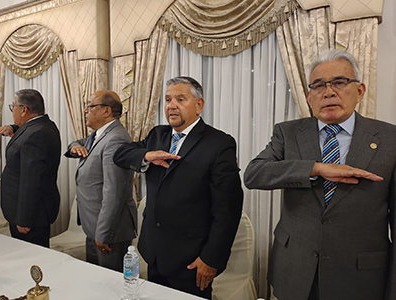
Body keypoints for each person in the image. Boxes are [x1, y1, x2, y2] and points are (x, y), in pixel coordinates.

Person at [244, 49, 396, 300]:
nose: (328, 92)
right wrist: (316, 168)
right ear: (309, 97)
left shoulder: (389, 139)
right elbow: (254, 174)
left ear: (359, 91)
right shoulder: (288, 133)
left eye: (339, 82)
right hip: (294, 270)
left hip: (360, 277)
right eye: (318, 86)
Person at [114, 76, 243, 299]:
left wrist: (211, 258)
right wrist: (147, 154)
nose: (171, 105)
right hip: (154, 250)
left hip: (191, 259)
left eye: (180, 99)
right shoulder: (157, 134)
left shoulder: (219, 143)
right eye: (167, 99)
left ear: (198, 105)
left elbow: (228, 210)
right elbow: (120, 154)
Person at [64, 90, 137, 272]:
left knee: (110, 286)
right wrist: (75, 147)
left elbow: (114, 192)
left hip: (110, 232)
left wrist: (103, 234)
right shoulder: (100, 134)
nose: (85, 111)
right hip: (95, 227)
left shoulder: (116, 139)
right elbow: (78, 142)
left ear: (106, 111)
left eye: (90, 106)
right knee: (95, 280)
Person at [0, 89, 61, 248]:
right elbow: (26, 132)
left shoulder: (38, 133)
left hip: (31, 216)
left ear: (24, 109)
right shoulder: (40, 126)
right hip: (27, 212)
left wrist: (24, 219)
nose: (12, 111)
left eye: (13, 107)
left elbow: (31, 181)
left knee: (32, 262)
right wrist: (13, 127)